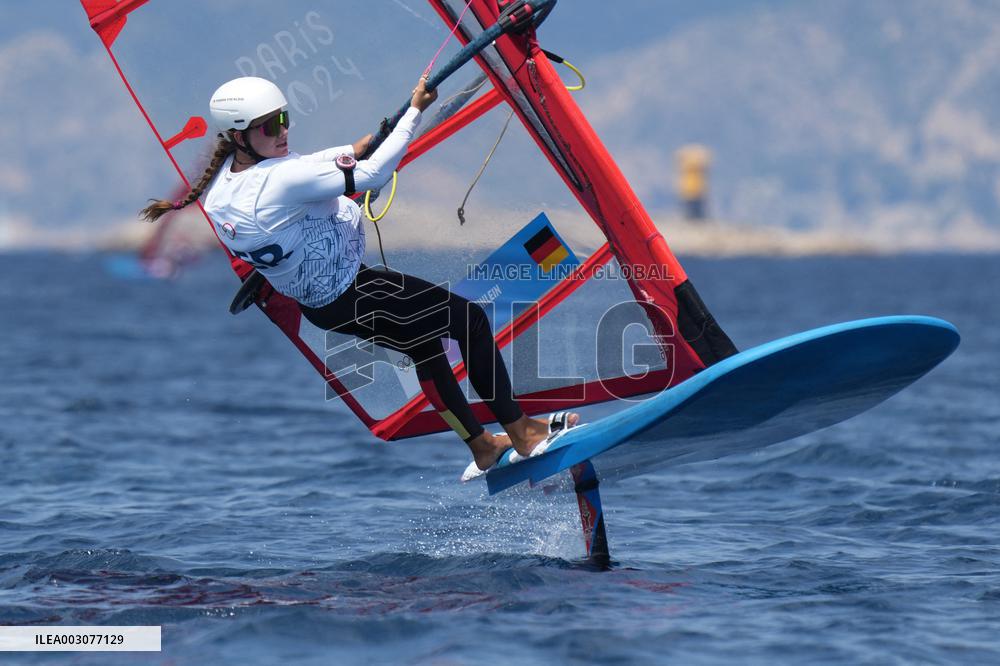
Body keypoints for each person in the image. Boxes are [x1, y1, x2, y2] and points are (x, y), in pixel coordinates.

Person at [141, 75, 578, 477]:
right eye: (268, 127)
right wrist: (415, 112)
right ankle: (520, 432)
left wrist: (374, 139)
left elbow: (321, 165)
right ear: (238, 136)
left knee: (426, 347)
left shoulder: (220, 187)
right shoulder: (278, 179)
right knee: (470, 322)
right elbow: (371, 174)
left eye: (282, 118)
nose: (282, 131)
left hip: (327, 308)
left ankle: (481, 446)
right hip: (358, 291)